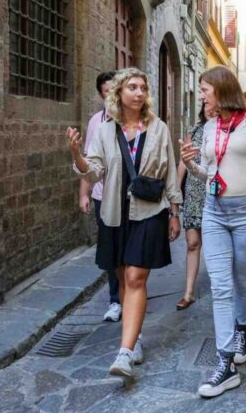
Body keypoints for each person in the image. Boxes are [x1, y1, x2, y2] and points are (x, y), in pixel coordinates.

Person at [67, 68, 182, 379]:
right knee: (121, 275)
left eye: (143, 87)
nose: (139, 92)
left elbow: (170, 171)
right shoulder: (106, 131)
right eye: (132, 86)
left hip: (149, 212)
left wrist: (174, 211)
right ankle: (136, 335)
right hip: (115, 213)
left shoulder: (158, 129)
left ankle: (125, 352)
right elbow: (92, 172)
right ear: (118, 93)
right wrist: (77, 153)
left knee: (134, 278)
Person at [180, 66, 246, 398]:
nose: (202, 95)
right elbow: (210, 172)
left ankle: (242, 329)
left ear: (222, 90)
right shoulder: (210, 126)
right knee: (221, 284)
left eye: (205, 89)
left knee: (242, 279)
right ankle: (225, 362)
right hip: (214, 211)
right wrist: (193, 165)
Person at [80, 71, 123, 323]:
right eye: (106, 92)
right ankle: (115, 300)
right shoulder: (96, 121)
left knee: (127, 248)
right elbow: (87, 161)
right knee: (109, 250)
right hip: (101, 195)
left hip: (127, 197)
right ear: (101, 94)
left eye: (114, 91)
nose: (111, 96)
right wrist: (84, 193)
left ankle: (131, 292)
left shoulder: (134, 120)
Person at [175, 103, 214, 310]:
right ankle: (188, 292)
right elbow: (184, 160)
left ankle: (223, 289)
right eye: (205, 104)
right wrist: (176, 191)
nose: (209, 107)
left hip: (215, 192)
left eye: (212, 103)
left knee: (218, 244)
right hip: (193, 191)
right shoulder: (194, 130)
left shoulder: (225, 129)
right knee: (192, 243)